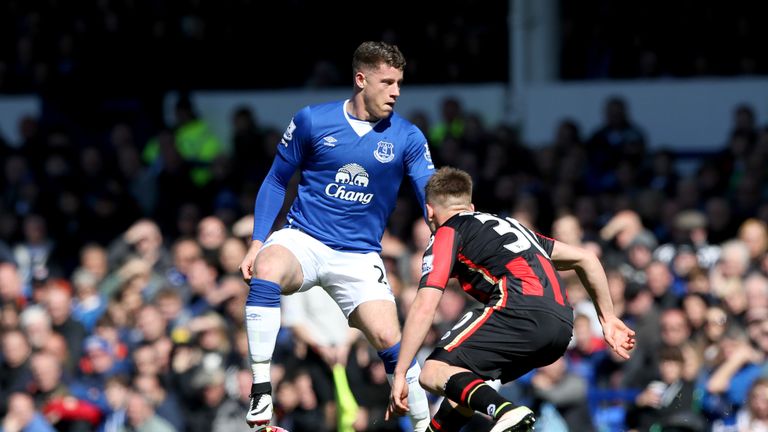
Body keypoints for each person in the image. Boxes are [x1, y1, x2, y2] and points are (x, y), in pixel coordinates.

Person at [239, 40, 435, 430]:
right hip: (305, 239)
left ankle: (425, 425)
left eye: (400, 83)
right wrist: (258, 241)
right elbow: (277, 180)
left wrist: (452, 231)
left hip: (359, 256)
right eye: (387, 82)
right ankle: (262, 392)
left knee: (392, 340)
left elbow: (431, 196)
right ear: (361, 79)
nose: (396, 92)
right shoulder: (313, 120)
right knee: (267, 268)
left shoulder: (407, 136)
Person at [386, 167, 635, 432]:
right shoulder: (512, 227)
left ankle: (506, 412)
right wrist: (608, 318)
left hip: (518, 311)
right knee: (464, 382)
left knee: (433, 370)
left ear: (430, 211)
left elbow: (425, 305)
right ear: (470, 206)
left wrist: (400, 373)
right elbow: (587, 258)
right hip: (561, 326)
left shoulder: (447, 232)